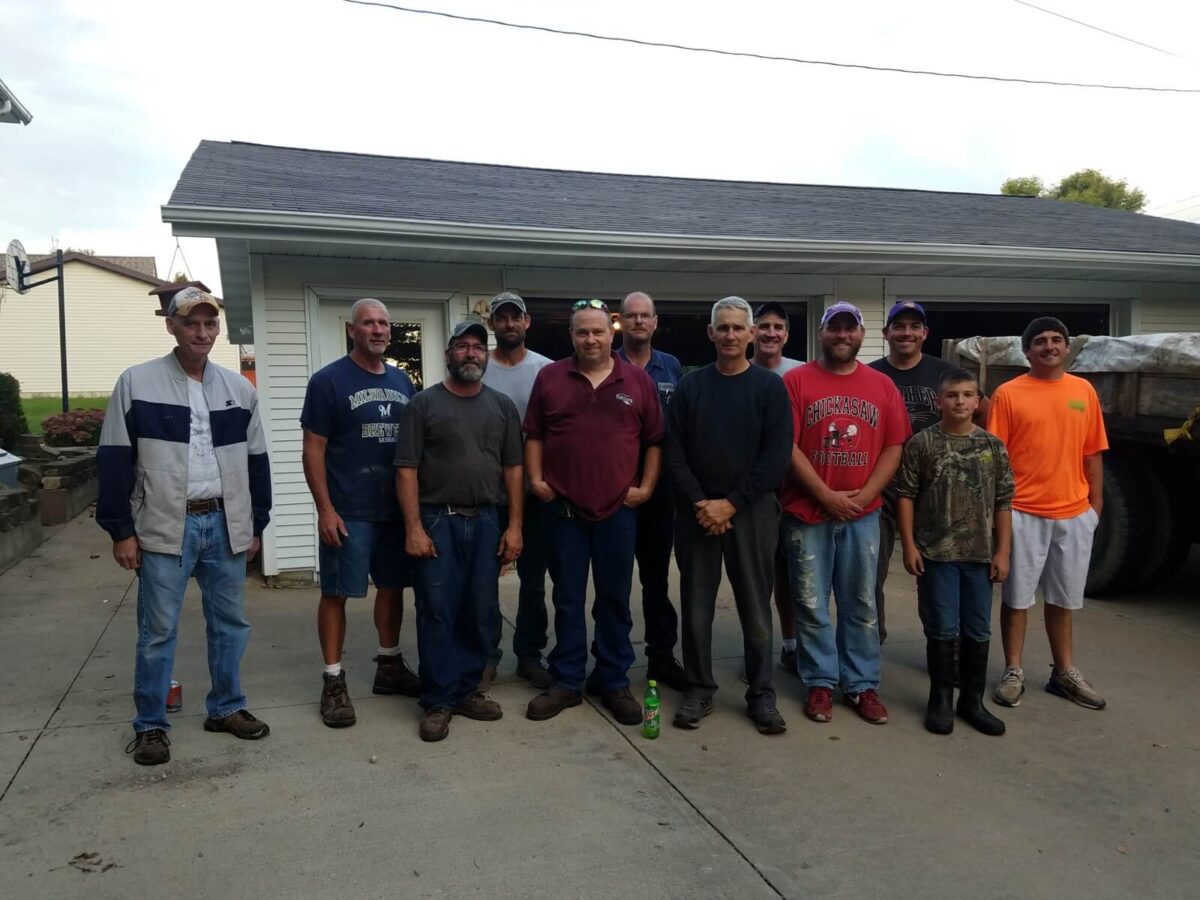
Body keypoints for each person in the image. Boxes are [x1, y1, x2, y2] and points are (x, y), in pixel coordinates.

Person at [98, 286, 272, 766]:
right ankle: (151, 723)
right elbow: (113, 459)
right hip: (162, 526)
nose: (202, 332)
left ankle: (227, 707)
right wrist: (121, 531)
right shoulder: (137, 382)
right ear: (171, 325)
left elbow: (258, 462)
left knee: (231, 625)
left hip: (225, 522)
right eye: (191, 323)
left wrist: (257, 522)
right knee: (157, 632)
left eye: (209, 324)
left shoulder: (239, 389)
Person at [522, 299, 663, 726]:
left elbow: (655, 440)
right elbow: (534, 434)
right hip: (563, 509)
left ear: (611, 333)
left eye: (598, 331)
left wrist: (647, 487)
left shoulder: (636, 381)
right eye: (582, 332)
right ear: (572, 336)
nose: (590, 339)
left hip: (618, 510)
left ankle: (613, 678)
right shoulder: (550, 378)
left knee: (615, 599)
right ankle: (566, 680)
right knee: (567, 597)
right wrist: (536, 481)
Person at [666, 297, 793, 734]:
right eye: (724, 328)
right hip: (697, 513)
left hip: (752, 512)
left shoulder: (770, 388)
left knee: (756, 609)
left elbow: (774, 459)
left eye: (740, 328)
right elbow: (674, 452)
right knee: (697, 608)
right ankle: (699, 689)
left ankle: (761, 695)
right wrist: (703, 502)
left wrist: (731, 503)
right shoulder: (691, 387)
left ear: (752, 334)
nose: (731, 336)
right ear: (711, 333)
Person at [395, 318, 524, 741]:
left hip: (487, 520)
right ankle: (438, 699)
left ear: (486, 356)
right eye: (463, 346)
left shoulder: (502, 406)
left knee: (480, 609)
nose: (471, 353)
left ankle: (468, 689)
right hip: (437, 521)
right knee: (437, 610)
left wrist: (515, 526)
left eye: (478, 347)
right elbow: (407, 471)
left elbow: (513, 469)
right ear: (448, 353)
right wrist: (414, 527)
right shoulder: (423, 404)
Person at [781, 301, 910, 725]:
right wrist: (825, 494)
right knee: (811, 602)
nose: (842, 335)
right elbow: (788, 445)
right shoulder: (796, 382)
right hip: (806, 512)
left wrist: (863, 496)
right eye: (833, 328)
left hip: (864, 514)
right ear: (822, 333)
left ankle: (861, 684)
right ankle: (819, 681)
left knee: (861, 601)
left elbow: (894, 446)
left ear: (860, 334)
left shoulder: (882, 386)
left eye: (849, 328)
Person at [300, 298, 419, 729]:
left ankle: (389, 666)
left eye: (384, 323)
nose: (378, 329)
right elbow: (313, 449)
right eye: (368, 323)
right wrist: (325, 509)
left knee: (393, 587)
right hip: (348, 510)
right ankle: (333, 680)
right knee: (336, 593)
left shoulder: (403, 380)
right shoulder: (328, 381)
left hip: (394, 510)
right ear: (352, 330)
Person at [988, 317, 1108, 710]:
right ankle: (1014, 669)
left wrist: (1095, 507)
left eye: (1057, 340)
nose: (1050, 346)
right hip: (1023, 512)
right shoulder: (1008, 394)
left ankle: (1064, 672)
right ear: (1027, 351)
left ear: (1067, 348)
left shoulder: (1083, 391)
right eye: (1040, 341)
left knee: (1065, 597)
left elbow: (1092, 453)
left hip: (1073, 513)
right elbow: (996, 460)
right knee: (1017, 597)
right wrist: (998, 513)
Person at [897, 368, 1013, 735]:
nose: (960, 401)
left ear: (978, 402)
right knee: (942, 628)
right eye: (952, 395)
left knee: (977, 629)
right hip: (936, 554)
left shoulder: (992, 447)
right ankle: (941, 698)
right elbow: (906, 495)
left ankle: (971, 700)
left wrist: (1003, 552)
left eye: (967, 395)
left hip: (980, 555)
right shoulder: (922, 444)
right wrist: (910, 545)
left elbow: (1003, 502)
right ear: (938, 401)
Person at [869, 300, 988, 643]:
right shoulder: (873, 376)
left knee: (934, 571)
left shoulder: (944, 373)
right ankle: (871, 638)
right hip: (884, 487)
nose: (906, 332)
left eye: (913, 326)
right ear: (886, 333)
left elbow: (982, 410)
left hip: (936, 490)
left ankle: (940, 642)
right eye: (899, 326)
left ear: (925, 333)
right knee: (871, 571)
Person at [481, 291, 553, 689]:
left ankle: (529, 654)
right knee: (485, 581)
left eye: (516, 317)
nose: (509, 324)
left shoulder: (547, 371)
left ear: (527, 322)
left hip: (536, 493)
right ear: (492, 324)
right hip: (487, 495)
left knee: (534, 580)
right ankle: (487, 656)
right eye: (501, 318)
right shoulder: (478, 368)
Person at [617, 291, 687, 691]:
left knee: (656, 581)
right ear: (621, 322)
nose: (638, 322)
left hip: (661, 492)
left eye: (645, 316)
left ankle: (661, 655)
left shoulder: (672, 367)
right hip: (617, 490)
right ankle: (615, 660)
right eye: (631, 316)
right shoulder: (609, 364)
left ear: (655, 322)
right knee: (616, 581)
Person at [750, 301, 803, 674]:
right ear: (753, 331)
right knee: (756, 579)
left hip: (797, 490)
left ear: (786, 334)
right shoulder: (739, 372)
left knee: (792, 575)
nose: (770, 333)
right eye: (763, 325)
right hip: (754, 493)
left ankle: (791, 644)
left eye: (778, 327)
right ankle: (757, 653)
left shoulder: (800, 374)